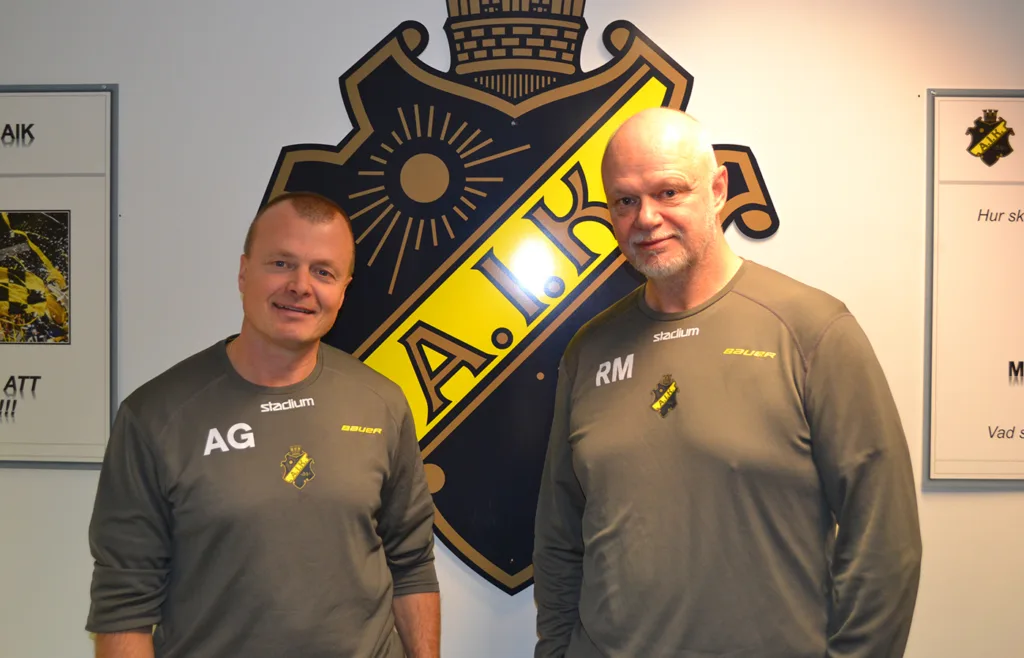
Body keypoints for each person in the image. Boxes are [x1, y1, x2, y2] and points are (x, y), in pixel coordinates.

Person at [532, 108, 922, 658]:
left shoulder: (812, 330)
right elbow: (559, 536)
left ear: (717, 191)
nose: (646, 218)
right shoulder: (589, 350)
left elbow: (884, 540)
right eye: (625, 201)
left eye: (669, 192)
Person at [86, 192, 440, 658]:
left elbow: (412, 565)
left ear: (343, 290)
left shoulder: (381, 404)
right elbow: (123, 607)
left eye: (323, 272)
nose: (300, 286)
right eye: (281, 263)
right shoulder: (156, 416)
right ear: (243, 272)